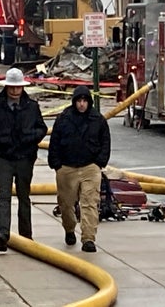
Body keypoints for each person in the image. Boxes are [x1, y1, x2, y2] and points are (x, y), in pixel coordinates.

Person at [0, 68, 48, 252]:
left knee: (24, 197)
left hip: (25, 158)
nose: (15, 92)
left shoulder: (32, 107)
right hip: (3, 158)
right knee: (4, 196)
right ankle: (2, 233)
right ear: (6, 87)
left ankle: (26, 236)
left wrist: (30, 137)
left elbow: (42, 128)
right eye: (12, 88)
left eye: (18, 88)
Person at [48, 85, 111, 253]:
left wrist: (99, 162)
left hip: (90, 167)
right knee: (66, 204)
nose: (82, 104)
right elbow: (54, 142)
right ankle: (69, 229)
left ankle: (88, 238)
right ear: (74, 102)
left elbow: (105, 142)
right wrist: (56, 164)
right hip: (67, 167)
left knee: (90, 203)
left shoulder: (98, 120)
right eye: (79, 101)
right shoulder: (63, 119)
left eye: (85, 101)